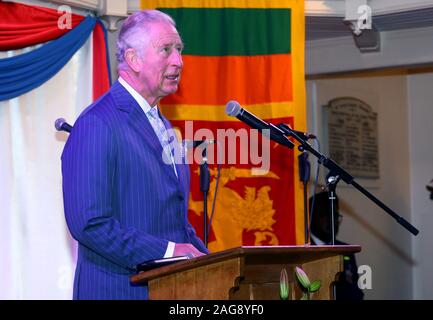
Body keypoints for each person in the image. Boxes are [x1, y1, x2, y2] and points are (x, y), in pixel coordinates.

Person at [61, 10, 208, 300]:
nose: (178, 61)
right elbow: (89, 223)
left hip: (167, 291)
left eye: (179, 50)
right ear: (133, 59)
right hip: (118, 291)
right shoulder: (97, 123)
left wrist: (212, 260)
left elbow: (172, 220)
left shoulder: (163, 124)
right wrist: (168, 252)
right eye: (166, 49)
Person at [309, 191, 364, 300]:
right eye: (326, 214)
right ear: (312, 217)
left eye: (335, 215)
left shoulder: (346, 250)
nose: (332, 220)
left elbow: (356, 292)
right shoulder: (302, 250)